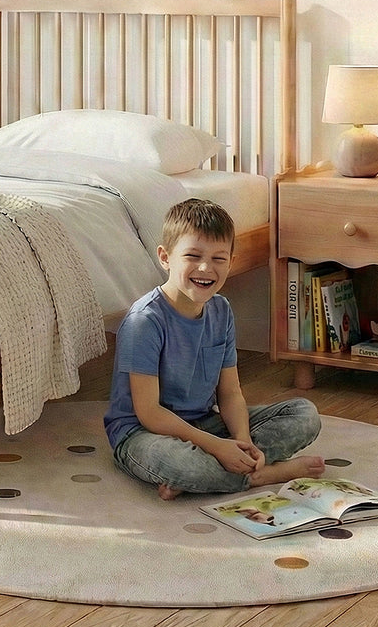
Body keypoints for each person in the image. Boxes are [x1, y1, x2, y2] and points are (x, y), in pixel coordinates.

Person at [104, 198, 325, 499]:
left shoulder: (221, 311)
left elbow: (230, 394)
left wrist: (242, 441)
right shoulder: (145, 321)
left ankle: (220, 472)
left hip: (204, 423)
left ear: (231, 262)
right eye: (193, 256)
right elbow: (149, 413)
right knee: (181, 463)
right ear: (165, 257)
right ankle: (265, 475)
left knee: (304, 414)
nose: (205, 268)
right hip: (144, 433)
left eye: (218, 259)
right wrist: (217, 446)